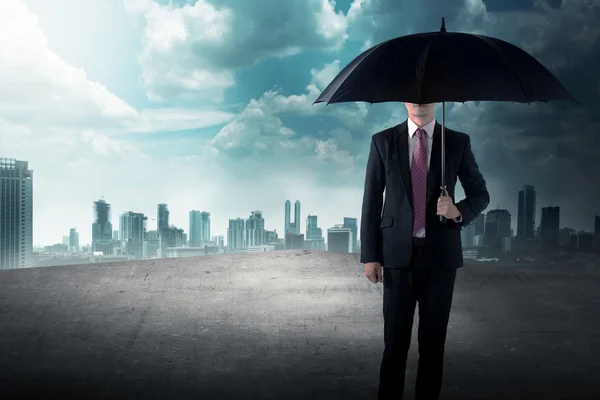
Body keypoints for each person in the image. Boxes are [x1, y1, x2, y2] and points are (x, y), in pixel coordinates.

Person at [359, 103, 490, 400]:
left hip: (440, 259)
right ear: (404, 100)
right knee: (394, 344)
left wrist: (457, 211)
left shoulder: (456, 142)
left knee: (433, 345)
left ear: (437, 99)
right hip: (395, 257)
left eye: (426, 93)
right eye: (413, 94)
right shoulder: (383, 141)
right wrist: (370, 255)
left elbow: (481, 194)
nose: (419, 99)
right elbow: (371, 199)